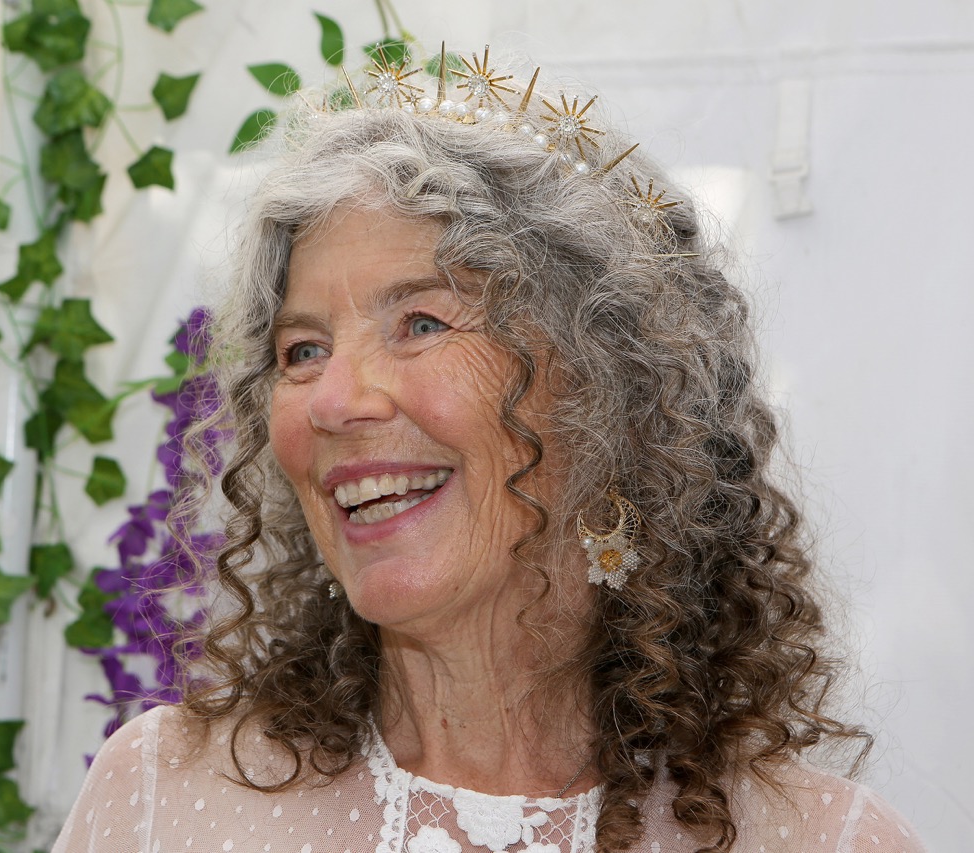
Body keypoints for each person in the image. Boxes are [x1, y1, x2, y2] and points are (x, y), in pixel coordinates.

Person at [53, 46, 925, 853]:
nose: (333, 399)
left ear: (606, 395)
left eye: (421, 322)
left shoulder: (822, 838)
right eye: (302, 349)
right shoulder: (162, 798)